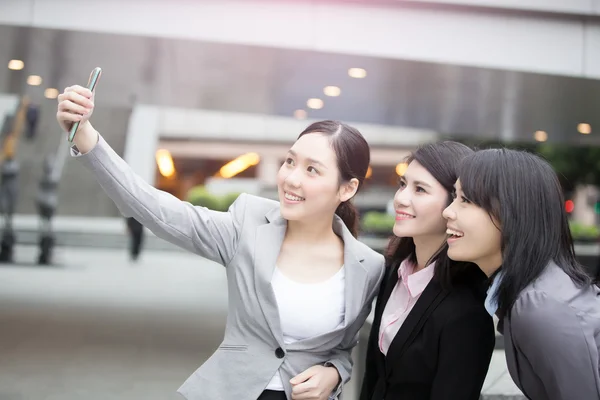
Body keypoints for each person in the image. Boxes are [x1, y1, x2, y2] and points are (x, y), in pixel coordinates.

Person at [56, 84, 385, 400]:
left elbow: (344, 347)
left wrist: (335, 372)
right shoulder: (249, 224)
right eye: (290, 161)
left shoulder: (368, 266)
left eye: (312, 170)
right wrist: (86, 137)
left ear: (347, 189)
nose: (291, 178)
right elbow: (158, 210)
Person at [443, 148, 600, 400]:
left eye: (467, 200)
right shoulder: (529, 292)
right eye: (454, 197)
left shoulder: (539, 305)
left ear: (512, 213)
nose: (448, 211)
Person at [360, 142, 495, 400]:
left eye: (420, 189)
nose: (400, 198)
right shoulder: (395, 272)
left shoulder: (467, 309)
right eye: (402, 184)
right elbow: (375, 377)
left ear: (456, 202)